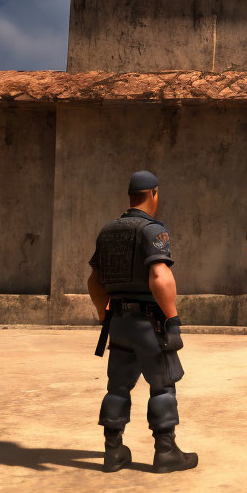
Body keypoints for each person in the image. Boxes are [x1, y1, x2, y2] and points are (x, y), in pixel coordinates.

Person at [87, 170, 198, 473]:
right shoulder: (152, 230)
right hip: (149, 324)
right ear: (154, 194)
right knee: (162, 385)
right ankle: (166, 452)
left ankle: (113, 451)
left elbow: (94, 280)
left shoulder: (107, 231)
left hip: (119, 323)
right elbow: (160, 276)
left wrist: (103, 313)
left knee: (117, 388)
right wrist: (173, 318)